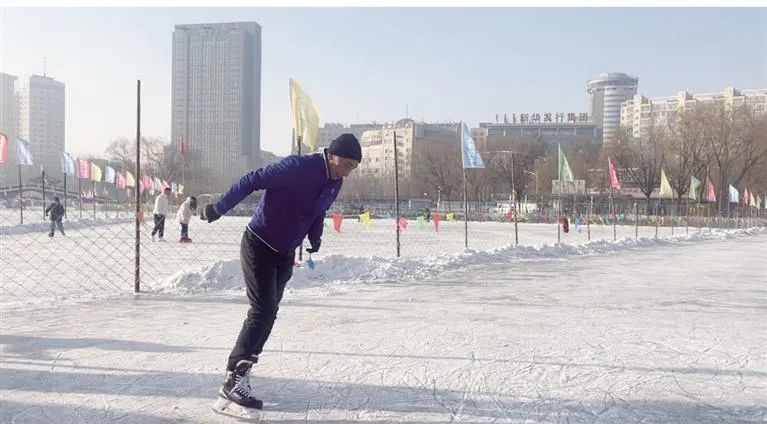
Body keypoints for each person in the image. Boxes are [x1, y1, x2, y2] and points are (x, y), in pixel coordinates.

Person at [203, 134, 361, 414]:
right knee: (261, 310)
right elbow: (252, 179)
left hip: (285, 252)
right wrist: (218, 208)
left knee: (270, 312)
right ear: (332, 155)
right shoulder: (299, 167)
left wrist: (315, 236)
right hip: (259, 243)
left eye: (353, 167)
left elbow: (318, 210)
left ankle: (242, 372)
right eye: (346, 164)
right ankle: (233, 379)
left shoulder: (335, 182)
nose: (347, 171)